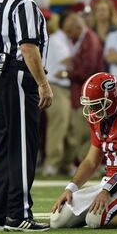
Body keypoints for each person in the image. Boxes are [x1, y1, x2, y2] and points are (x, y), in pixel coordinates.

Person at [0, 0, 51, 232]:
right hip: (17, 75)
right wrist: (42, 83)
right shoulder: (24, 3)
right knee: (23, 145)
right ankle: (19, 214)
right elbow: (28, 47)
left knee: (2, 146)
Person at [50, 72, 117, 229]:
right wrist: (70, 188)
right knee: (57, 219)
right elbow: (91, 161)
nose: (92, 110)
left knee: (95, 219)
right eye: (90, 105)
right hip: (108, 184)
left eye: (97, 104)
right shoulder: (99, 119)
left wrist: (107, 191)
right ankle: (106, 210)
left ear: (112, 99)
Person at [60, 12, 105, 164]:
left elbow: (87, 69)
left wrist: (67, 73)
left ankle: (87, 165)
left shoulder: (89, 40)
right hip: (81, 93)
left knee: (84, 133)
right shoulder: (84, 39)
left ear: (78, 27)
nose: (69, 36)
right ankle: (83, 164)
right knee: (79, 132)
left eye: (70, 32)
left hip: (87, 94)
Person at [42, 26, 72, 176]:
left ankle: (64, 164)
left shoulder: (64, 39)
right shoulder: (57, 39)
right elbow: (68, 61)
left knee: (66, 126)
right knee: (58, 125)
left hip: (64, 87)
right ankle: (52, 163)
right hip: (56, 86)